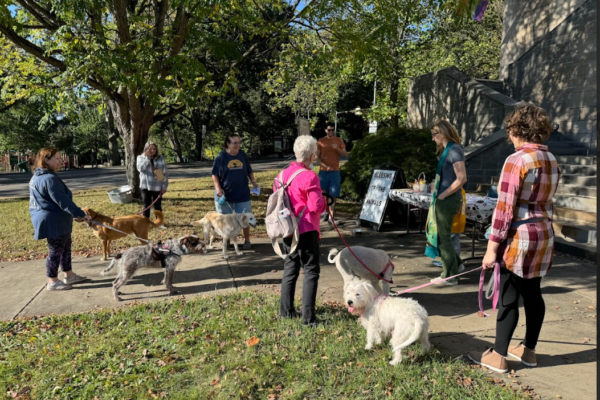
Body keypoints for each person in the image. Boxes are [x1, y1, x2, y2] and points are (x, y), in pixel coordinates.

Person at [468, 104, 560, 373]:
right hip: (543, 233)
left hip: (518, 236)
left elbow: (504, 209)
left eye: (510, 130)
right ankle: (528, 351)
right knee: (533, 293)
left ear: (517, 130)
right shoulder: (551, 159)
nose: (509, 135)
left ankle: (498, 355)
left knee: (508, 295)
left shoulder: (517, 159)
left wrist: (491, 249)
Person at [276, 135, 326, 326]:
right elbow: (315, 206)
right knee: (311, 271)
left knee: (290, 269)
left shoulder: (281, 176)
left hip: (287, 229)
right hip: (307, 229)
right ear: (312, 155)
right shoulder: (310, 176)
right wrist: (323, 203)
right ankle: (308, 318)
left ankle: (286, 311)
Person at [29, 148, 92, 291]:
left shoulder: (38, 176)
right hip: (53, 221)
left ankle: (69, 275)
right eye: (57, 158)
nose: (60, 161)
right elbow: (63, 201)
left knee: (65, 248)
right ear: (46, 160)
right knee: (56, 250)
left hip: (55, 219)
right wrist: (80, 214)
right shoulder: (49, 179)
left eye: (60, 158)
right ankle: (52, 281)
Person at [425, 120, 468, 285]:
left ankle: (450, 276)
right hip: (445, 198)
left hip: (448, 200)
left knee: (444, 239)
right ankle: (457, 265)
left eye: (434, 135)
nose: (433, 139)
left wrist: (442, 195)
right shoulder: (449, 150)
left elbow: (461, 178)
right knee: (444, 237)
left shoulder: (454, 149)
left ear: (441, 133)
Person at [211, 134, 258, 250]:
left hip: (242, 194)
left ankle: (247, 240)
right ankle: (226, 241)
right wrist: (218, 188)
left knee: (247, 218)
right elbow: (215, 175)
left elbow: (249, 170)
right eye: (235, 143)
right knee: (224, 220)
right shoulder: (221, 157)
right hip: (225, 195)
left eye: (239, 143)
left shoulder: (242, 155)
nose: (238, 145)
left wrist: (254, 182)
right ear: (228, 143)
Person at [316, 124, 347, 223]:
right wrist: (325, 166)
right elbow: (317, 157)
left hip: (335, 171)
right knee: (323, 194)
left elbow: (345, 154)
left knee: (333, 194)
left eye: (332, 130)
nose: (331, 132)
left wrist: (337, 148)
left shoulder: (338, 140)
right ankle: (324, 212)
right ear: (325, 130)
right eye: (329, 130)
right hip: (323, 172)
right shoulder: (321, 141)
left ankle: (331, 216)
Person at [136, 141, 168, 220]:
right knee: (146, 205)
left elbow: (165, 173)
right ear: (146, 149)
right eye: (150, 149)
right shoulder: (140, 158)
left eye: (154, 149)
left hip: (157, 186)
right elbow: (140, 169)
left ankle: (159, 222)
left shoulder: (160, 159)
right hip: (145, 186)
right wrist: (147, 158)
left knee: (158, 205)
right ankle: (145, 222)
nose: (152, 151)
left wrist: (164, 186)